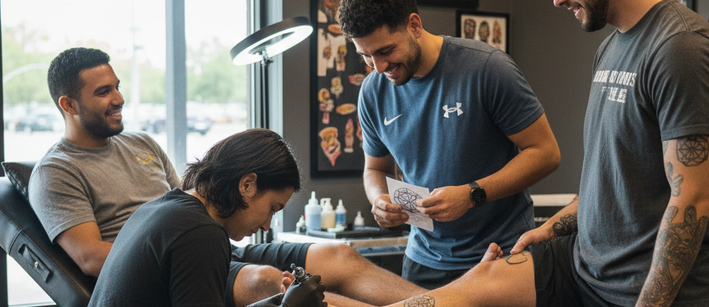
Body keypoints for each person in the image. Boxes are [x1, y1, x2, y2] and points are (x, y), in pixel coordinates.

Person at [375, 0, 709, 307]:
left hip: (641, 291)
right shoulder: (612, 48)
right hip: (581, 264)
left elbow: (692, 199)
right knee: (444, 300)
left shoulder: (681, 48)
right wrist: (556, 227)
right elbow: (612, 180)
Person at [29, 47, 426, 307]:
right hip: (177, 257)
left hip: (205, 242)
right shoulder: (57, 170)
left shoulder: (143, 148)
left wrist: (208, 245)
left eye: (117, 87)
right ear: (68, 104)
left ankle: (440, 300)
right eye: (103, 92)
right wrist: (184, 254)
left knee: (338, 256)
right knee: (278, 284)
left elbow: (190, 203)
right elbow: (90, 257)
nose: (118, 98)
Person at [337, 0, 562, 289]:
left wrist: (472, 194)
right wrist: (380, 200)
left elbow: (546, 154)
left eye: (385, 50)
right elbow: (375, 168)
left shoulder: (488, 69)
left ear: (414, 25)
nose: (378, 67)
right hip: (422, 261)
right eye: (366, 55)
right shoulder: (373, 92)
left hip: (502, 254)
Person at [88, 128, 325, 307]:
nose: (266, 224)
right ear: (247, 184)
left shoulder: (161, 209)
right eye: (272, 208)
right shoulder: (201, 234)